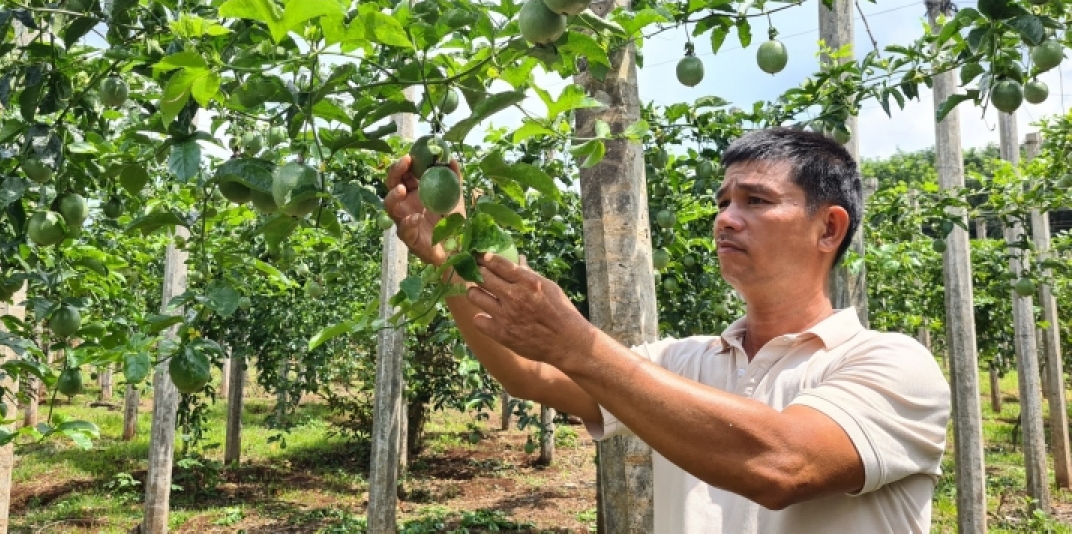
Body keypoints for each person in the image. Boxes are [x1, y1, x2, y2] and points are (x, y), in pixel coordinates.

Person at [384, 127, 950, 533]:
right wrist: (451, 256)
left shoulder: (893, 364)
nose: (725, 217)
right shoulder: (685, 361)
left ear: (829, 228)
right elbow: (529, 372)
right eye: (724, 201)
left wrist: (580, 344)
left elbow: (782, 464)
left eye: (756, 200)